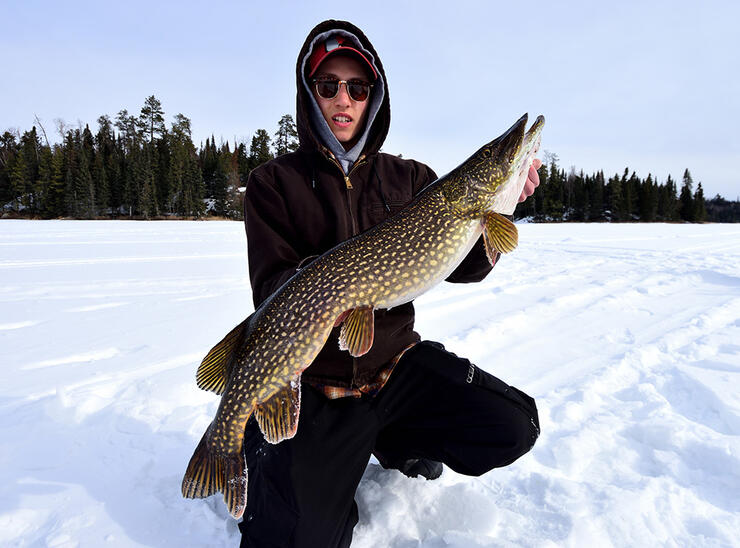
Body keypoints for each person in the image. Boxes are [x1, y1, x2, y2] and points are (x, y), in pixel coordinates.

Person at [239, 19, 541, 548]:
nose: (343, 99)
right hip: (320, 385)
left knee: (513, 424)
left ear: (372, 97)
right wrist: (329, 292)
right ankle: (265, 446)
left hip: (396, 368)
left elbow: (463, 266)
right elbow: (272, 288)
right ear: (310, 95)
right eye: (327, 84)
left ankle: (395, 437)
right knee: (295, 537)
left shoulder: (412, 180)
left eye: (357, 88)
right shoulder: (274, 184)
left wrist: (503, 205)